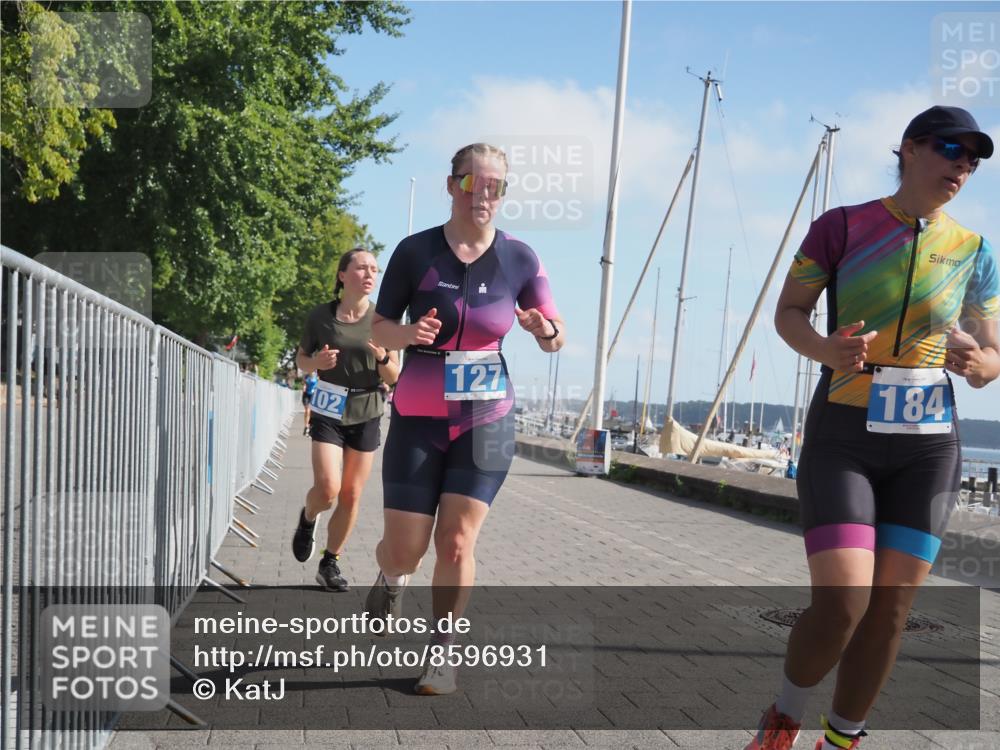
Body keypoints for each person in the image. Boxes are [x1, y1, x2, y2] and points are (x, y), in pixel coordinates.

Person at [746, 105, 998, 750]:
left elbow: (993, 353)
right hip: (844, 436)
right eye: (951, 149)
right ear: (910, 149)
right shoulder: (842, 226)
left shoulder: (974, 251)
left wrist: (982, 364)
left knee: (890, 611)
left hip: (929, 447)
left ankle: (843, 740)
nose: (962, 166)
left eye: (973, 160)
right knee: (843, 603)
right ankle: (783, 718)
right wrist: (824, 349)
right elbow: (790, 312)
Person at [366, 142, 565, 695]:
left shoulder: (520, 258)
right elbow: (378, 327)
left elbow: (556, 335)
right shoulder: (415, 251)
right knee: (406, 547)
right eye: (474, 182)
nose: (484, 194)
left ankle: (443, 651)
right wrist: (408, 334)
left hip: (486, 416)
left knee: (456, 542)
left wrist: (543, 329)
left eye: (495, 185)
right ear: (452, 185)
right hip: (419, 412)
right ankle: (390, 575)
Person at [291, 248, 400, 591]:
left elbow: (394, 375)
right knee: (328, 489)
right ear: (342, 275)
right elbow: (301, 360)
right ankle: (308, 516)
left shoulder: (384, 320)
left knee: (351, 495)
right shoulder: (320, 317)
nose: (369, 274)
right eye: (362, 267)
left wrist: (382, 358)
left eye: (374, 269)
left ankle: (330, 562)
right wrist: (317, 364)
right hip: (329, 406)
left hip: (367, 409)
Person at [301, 370, 319, 435]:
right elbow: (303, 384)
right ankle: (306, 426)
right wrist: (304, 386)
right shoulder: (306, 376)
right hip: (306, 395)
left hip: (313, 395)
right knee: (307, 411)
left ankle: (310, 426)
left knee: (311, 412)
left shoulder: (317, 376)